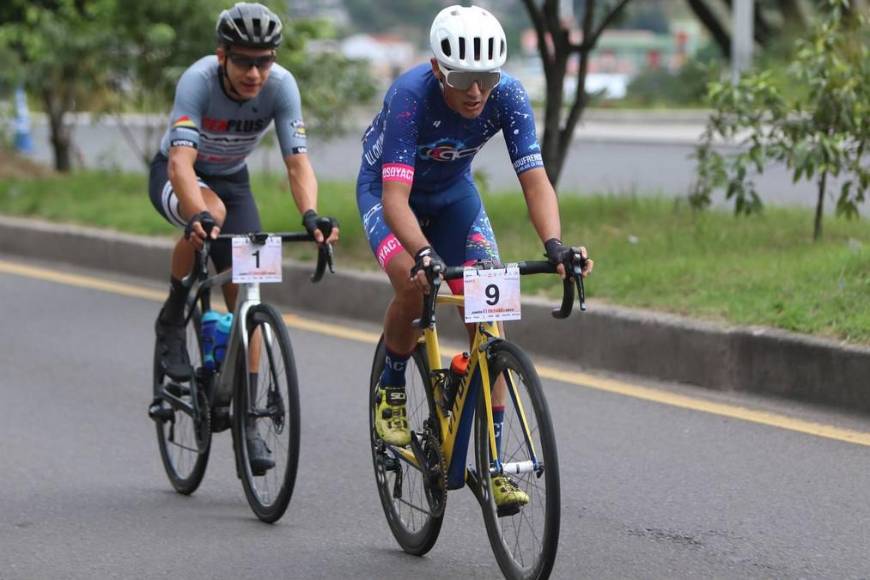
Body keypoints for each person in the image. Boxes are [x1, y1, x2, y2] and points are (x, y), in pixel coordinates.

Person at [356, 4, 593, 510]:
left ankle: (495, 464)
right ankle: (392, 385)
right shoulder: (409, 97)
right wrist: (422, 253)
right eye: (462, 77)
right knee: (413, 282)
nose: (475, 92)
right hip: (388, 195)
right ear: (438, 67)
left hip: (452, 197)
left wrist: (555, 247)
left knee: (492, 312)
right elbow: (395, 200)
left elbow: (534, 179)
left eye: (485, 77)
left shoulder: (506, 95)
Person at [149, 2, 338, 474]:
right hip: (180, 173)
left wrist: (311, 214)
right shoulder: (198, 81)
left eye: (265, 60)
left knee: (247, 298)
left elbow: (297, 163)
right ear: (222, 57)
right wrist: (198, 215)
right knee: (208, 214)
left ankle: (248, 417)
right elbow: (180, 164)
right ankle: (174, 316)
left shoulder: (281, 86)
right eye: (244, 62)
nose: (255, 72)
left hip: (233, 179)